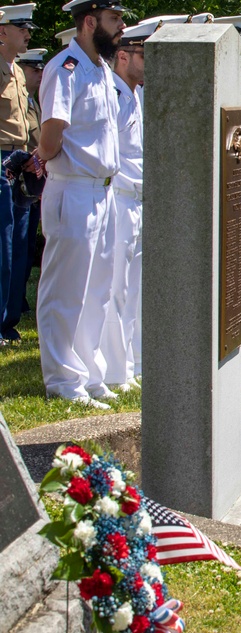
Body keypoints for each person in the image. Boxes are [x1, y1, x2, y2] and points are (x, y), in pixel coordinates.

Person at [36, 0, 124, 409]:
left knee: (97, 291)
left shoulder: (102, 69)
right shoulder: (65, 69)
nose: (121, 27)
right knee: (66, 290)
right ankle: (61, 379)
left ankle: (89, 373)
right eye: (114, 19)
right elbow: (51, 136)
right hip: (72, 188)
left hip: (102, 190)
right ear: (90, 22)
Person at [100, 19, 151, 394]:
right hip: (118, 197)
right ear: (122, 57)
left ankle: (131, 362)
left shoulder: (132, 94)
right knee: (115, 287)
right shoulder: (115, 95)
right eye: (143, 54)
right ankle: (115, 369)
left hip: (137, 198)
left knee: (134, 288)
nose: (150, 61)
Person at [0, 3, 37, 344]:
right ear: (2, 32)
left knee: (19, 242)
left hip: (19, 159)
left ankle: (8, 321)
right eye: (21, 27)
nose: (28, 32)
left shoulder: (17, 72)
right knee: (2, 242)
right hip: (1, 158)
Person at [8, 45, 43, 330]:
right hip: (9, 162)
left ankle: (12, 310)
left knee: (21, 245)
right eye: (36, 69)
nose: (40, 74)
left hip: (26, 167)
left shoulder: (18, 80)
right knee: (8, 244)